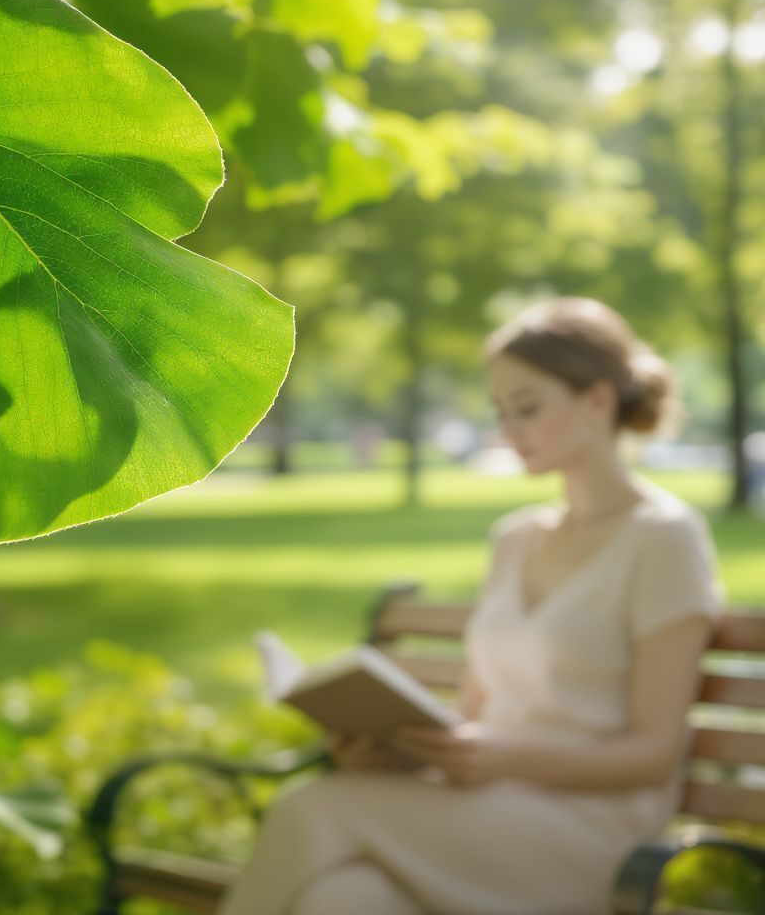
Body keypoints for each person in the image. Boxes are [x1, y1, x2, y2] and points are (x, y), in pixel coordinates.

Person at [216, 297, 726, 915]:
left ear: (597, 400)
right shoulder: (514, 539)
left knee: (312, 807)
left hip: (592, 835)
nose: (508, 430)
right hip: (485, 812)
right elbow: (473, 719)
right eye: (501, 410)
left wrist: (503, 756)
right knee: (345, 898)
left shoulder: (664, 537)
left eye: (528, 408)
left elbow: (654, 754)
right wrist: (397, 754)